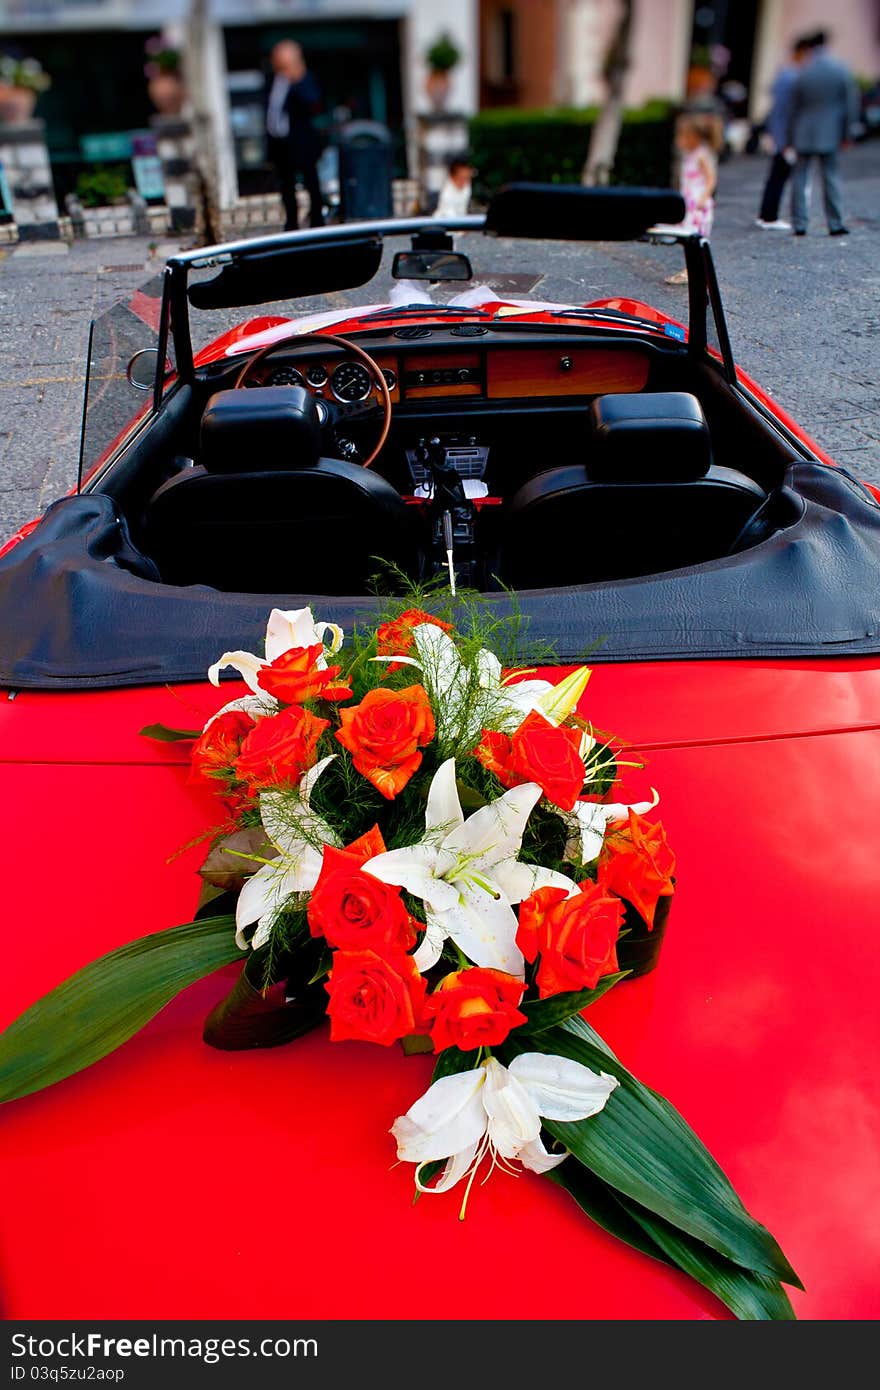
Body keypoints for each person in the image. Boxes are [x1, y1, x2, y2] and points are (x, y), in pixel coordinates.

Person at [786, 30, 860, 236]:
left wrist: (790, 135)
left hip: (803, 131)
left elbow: (794, 106)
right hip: (830, 132)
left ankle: (799, 223)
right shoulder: (839, 69)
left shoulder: (804, 70)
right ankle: (835, 223)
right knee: (831, 177)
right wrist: (848, 133)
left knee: (800, 176)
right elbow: (849, 103)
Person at [755, 36, 813, 229]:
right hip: (785, 137)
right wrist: (783, 140)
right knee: (779, 176)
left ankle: (768, 215)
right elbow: (783, 111)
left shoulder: (788, 74)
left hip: (783, 135)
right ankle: (769, 217)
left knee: (777, 175)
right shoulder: (790, 76)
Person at [266, 40, 324, 230]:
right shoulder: (274, 79)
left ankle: (316, 218)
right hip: (280, 143)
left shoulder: (304, 79)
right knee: (286, 185)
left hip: (302, 142)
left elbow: (313, 103)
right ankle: (291, 220)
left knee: (310, 181)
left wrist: (297, 79)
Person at [664, 114, 722, 284]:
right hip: (690, 202)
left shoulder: (701, 155)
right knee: (688, 236)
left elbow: (711, 178)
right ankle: (692, 270)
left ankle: (692, 271)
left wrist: (703, 197)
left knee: (693, 237)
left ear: (693, 137)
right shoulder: (691, 154)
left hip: (697, 204)